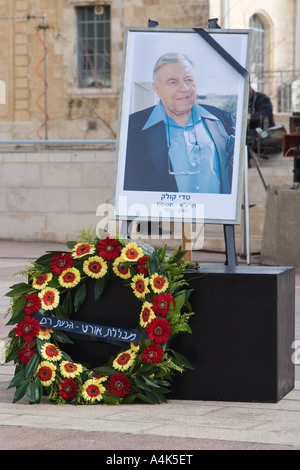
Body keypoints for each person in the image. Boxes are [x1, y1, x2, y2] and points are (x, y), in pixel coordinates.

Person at [123, 53, 235, 194]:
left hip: (216, 215)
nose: (184, 88)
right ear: (156, 89)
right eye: (173, 82)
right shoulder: (132, 128)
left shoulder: (225, 121)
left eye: (188, 80)